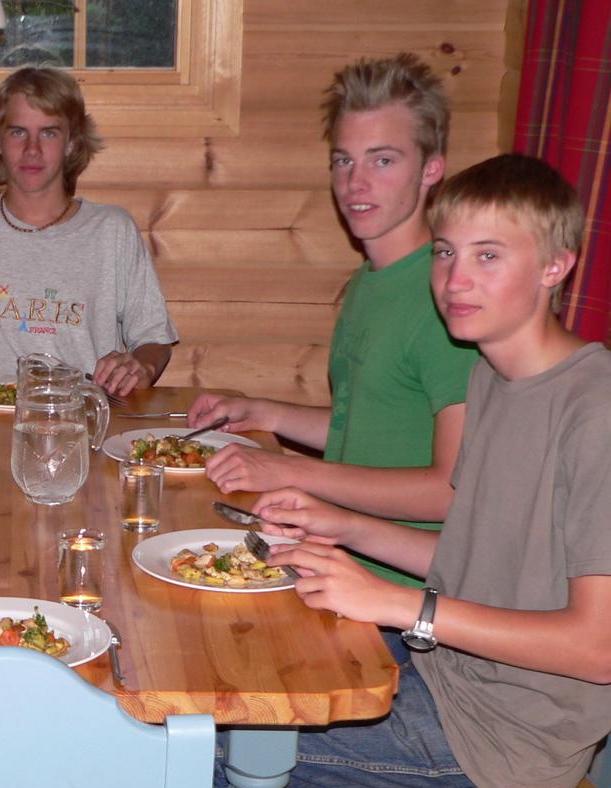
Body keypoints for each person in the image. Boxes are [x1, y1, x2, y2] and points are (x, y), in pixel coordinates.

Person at [206, 153, 609, 788]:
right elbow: (474, 566)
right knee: (239, 657)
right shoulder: (493, 376)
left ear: (555, 266)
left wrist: (400, 606)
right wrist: (344, 526)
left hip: (501, 744)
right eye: (448, 252)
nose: (455, 279)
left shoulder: (594, 412)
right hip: (444, 678)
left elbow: (598, 649)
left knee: (211, 742)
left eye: (489, 256)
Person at [188, 53, 479, 587]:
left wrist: (289, 469)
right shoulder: (372, 280)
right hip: (335, 566)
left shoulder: (448, 297)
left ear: (431, 168)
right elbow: (370, 430)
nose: (356, 183)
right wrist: (265, 413)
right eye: (344, 161)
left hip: (399, 600)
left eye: (382, 161)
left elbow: (450, 491)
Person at [0, 66, 177, 398]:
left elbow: (154, 341)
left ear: (71, 142)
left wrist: (141, 366)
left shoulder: (113, 230)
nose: (32, 149)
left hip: (81, 417)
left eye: (49, 133)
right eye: (18, 132)